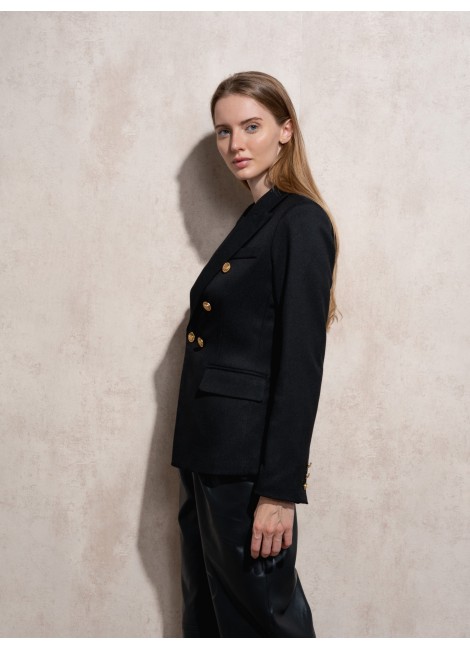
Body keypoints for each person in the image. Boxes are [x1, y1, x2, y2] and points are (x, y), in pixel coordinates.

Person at [170, 71, 340, 638]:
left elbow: (300, 367)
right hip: (208, 456)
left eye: (251, 126)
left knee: (263, 624)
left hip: (246, 468)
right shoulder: (257, 219)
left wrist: (278, 492)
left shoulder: (300, 221)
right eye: (223, 131)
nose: (235, 144)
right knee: (211, 622)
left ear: (285, 131)